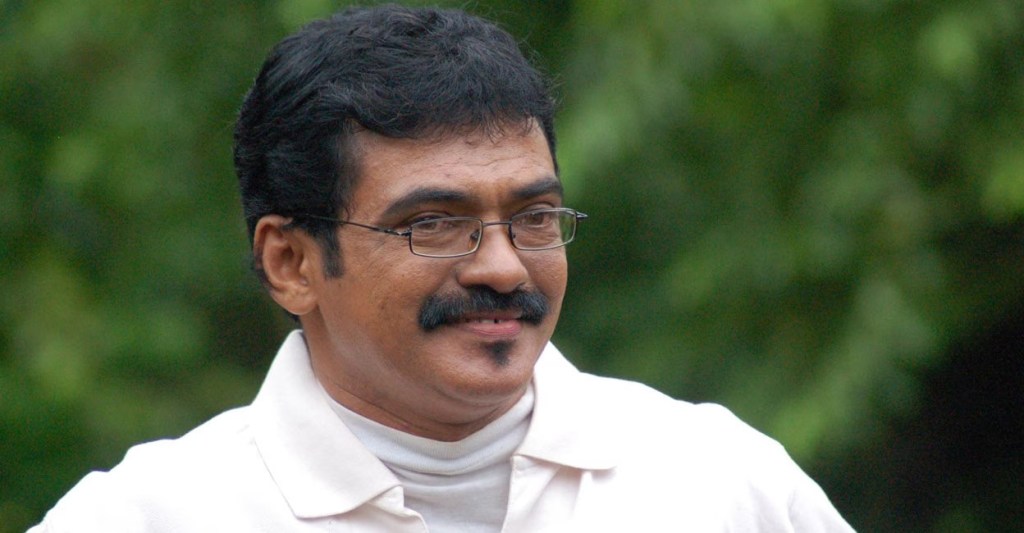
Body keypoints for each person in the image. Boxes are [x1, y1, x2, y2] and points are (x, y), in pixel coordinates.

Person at [30, 5, 854, 532]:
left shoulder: (717, 484)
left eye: (534, 217)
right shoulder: (152, 516)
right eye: (433, 224)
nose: (501, 265)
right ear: (291, 262)